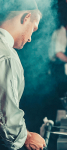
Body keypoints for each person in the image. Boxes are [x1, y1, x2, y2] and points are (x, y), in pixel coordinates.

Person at [0, 0, 46, 150]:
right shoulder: (6, 56)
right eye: (33, 28)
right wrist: (26, 136)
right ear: (26, 17)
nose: (30, 38)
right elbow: (6, 116)